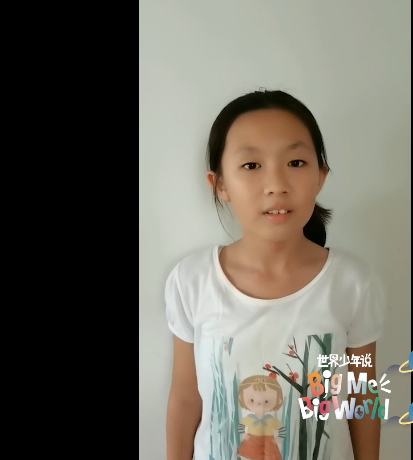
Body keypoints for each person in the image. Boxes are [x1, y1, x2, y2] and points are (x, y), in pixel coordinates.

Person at [165, 90, 387, 460]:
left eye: (296, 162)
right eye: (251, 165)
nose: (277, 184)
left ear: (321, 176)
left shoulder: (354, 283)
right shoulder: (191, 280)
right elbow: (185, 398)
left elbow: (363, 395)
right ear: (220, 184)